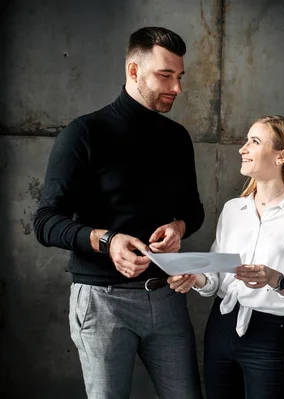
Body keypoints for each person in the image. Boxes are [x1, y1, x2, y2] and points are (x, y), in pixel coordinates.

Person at [33, 27, 204, 398]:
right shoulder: (84, 133)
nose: (176, 87)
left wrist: (179, 226)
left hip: (167, 298)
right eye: (165, 75)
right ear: (133, 71)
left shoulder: (177, 139)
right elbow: (45, 222)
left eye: (179, 77)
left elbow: (193, 210)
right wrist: (106, 241)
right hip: (101, 302)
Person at [169, 115, 284, 399]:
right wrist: (196, 277)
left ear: (282, 155)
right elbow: (215, 279)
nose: (243, 148)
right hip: (220, 327)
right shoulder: (233, 209)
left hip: (269, 334)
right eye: (246, 141)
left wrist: (274, 279)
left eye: (254, 142)